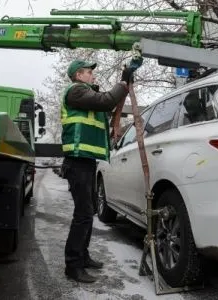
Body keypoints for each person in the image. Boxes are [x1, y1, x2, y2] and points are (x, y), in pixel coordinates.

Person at [61, 59, 137, 283]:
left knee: (88, 211)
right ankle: (73, 266)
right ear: (78, 75)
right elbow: (106, 101)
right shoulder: (75, 92)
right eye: (88, 73)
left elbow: (107, 104)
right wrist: (123, 81)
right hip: (77, 161)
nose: (92, 76)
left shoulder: (86, 95)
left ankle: (82, 257)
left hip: (85, 162)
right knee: (83, 214)